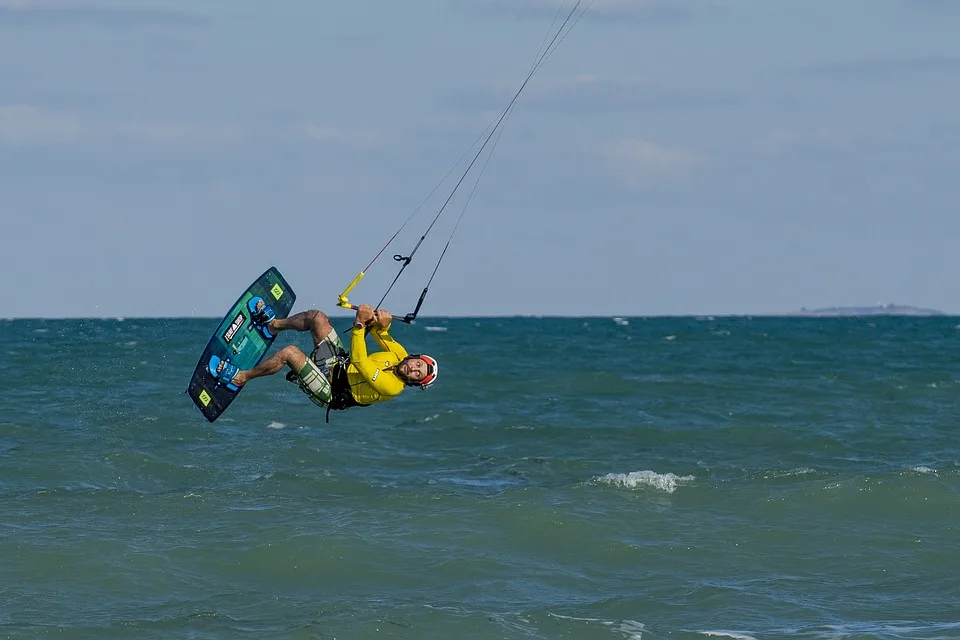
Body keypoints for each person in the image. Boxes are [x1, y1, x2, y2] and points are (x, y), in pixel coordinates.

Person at [208, 300, 438, 419]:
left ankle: (240, 377)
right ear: (415, 357)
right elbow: (380, 332)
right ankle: (273, 325)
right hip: (337, 363)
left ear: (414, 383)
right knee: (317, 317)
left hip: (330, 390)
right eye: (418, 364)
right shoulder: (400, 353)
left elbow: (360, 361)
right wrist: (381, 320)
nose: (413, 369)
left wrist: (360, 324)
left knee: (290, 353)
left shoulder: (392, 388)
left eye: (417, 374)